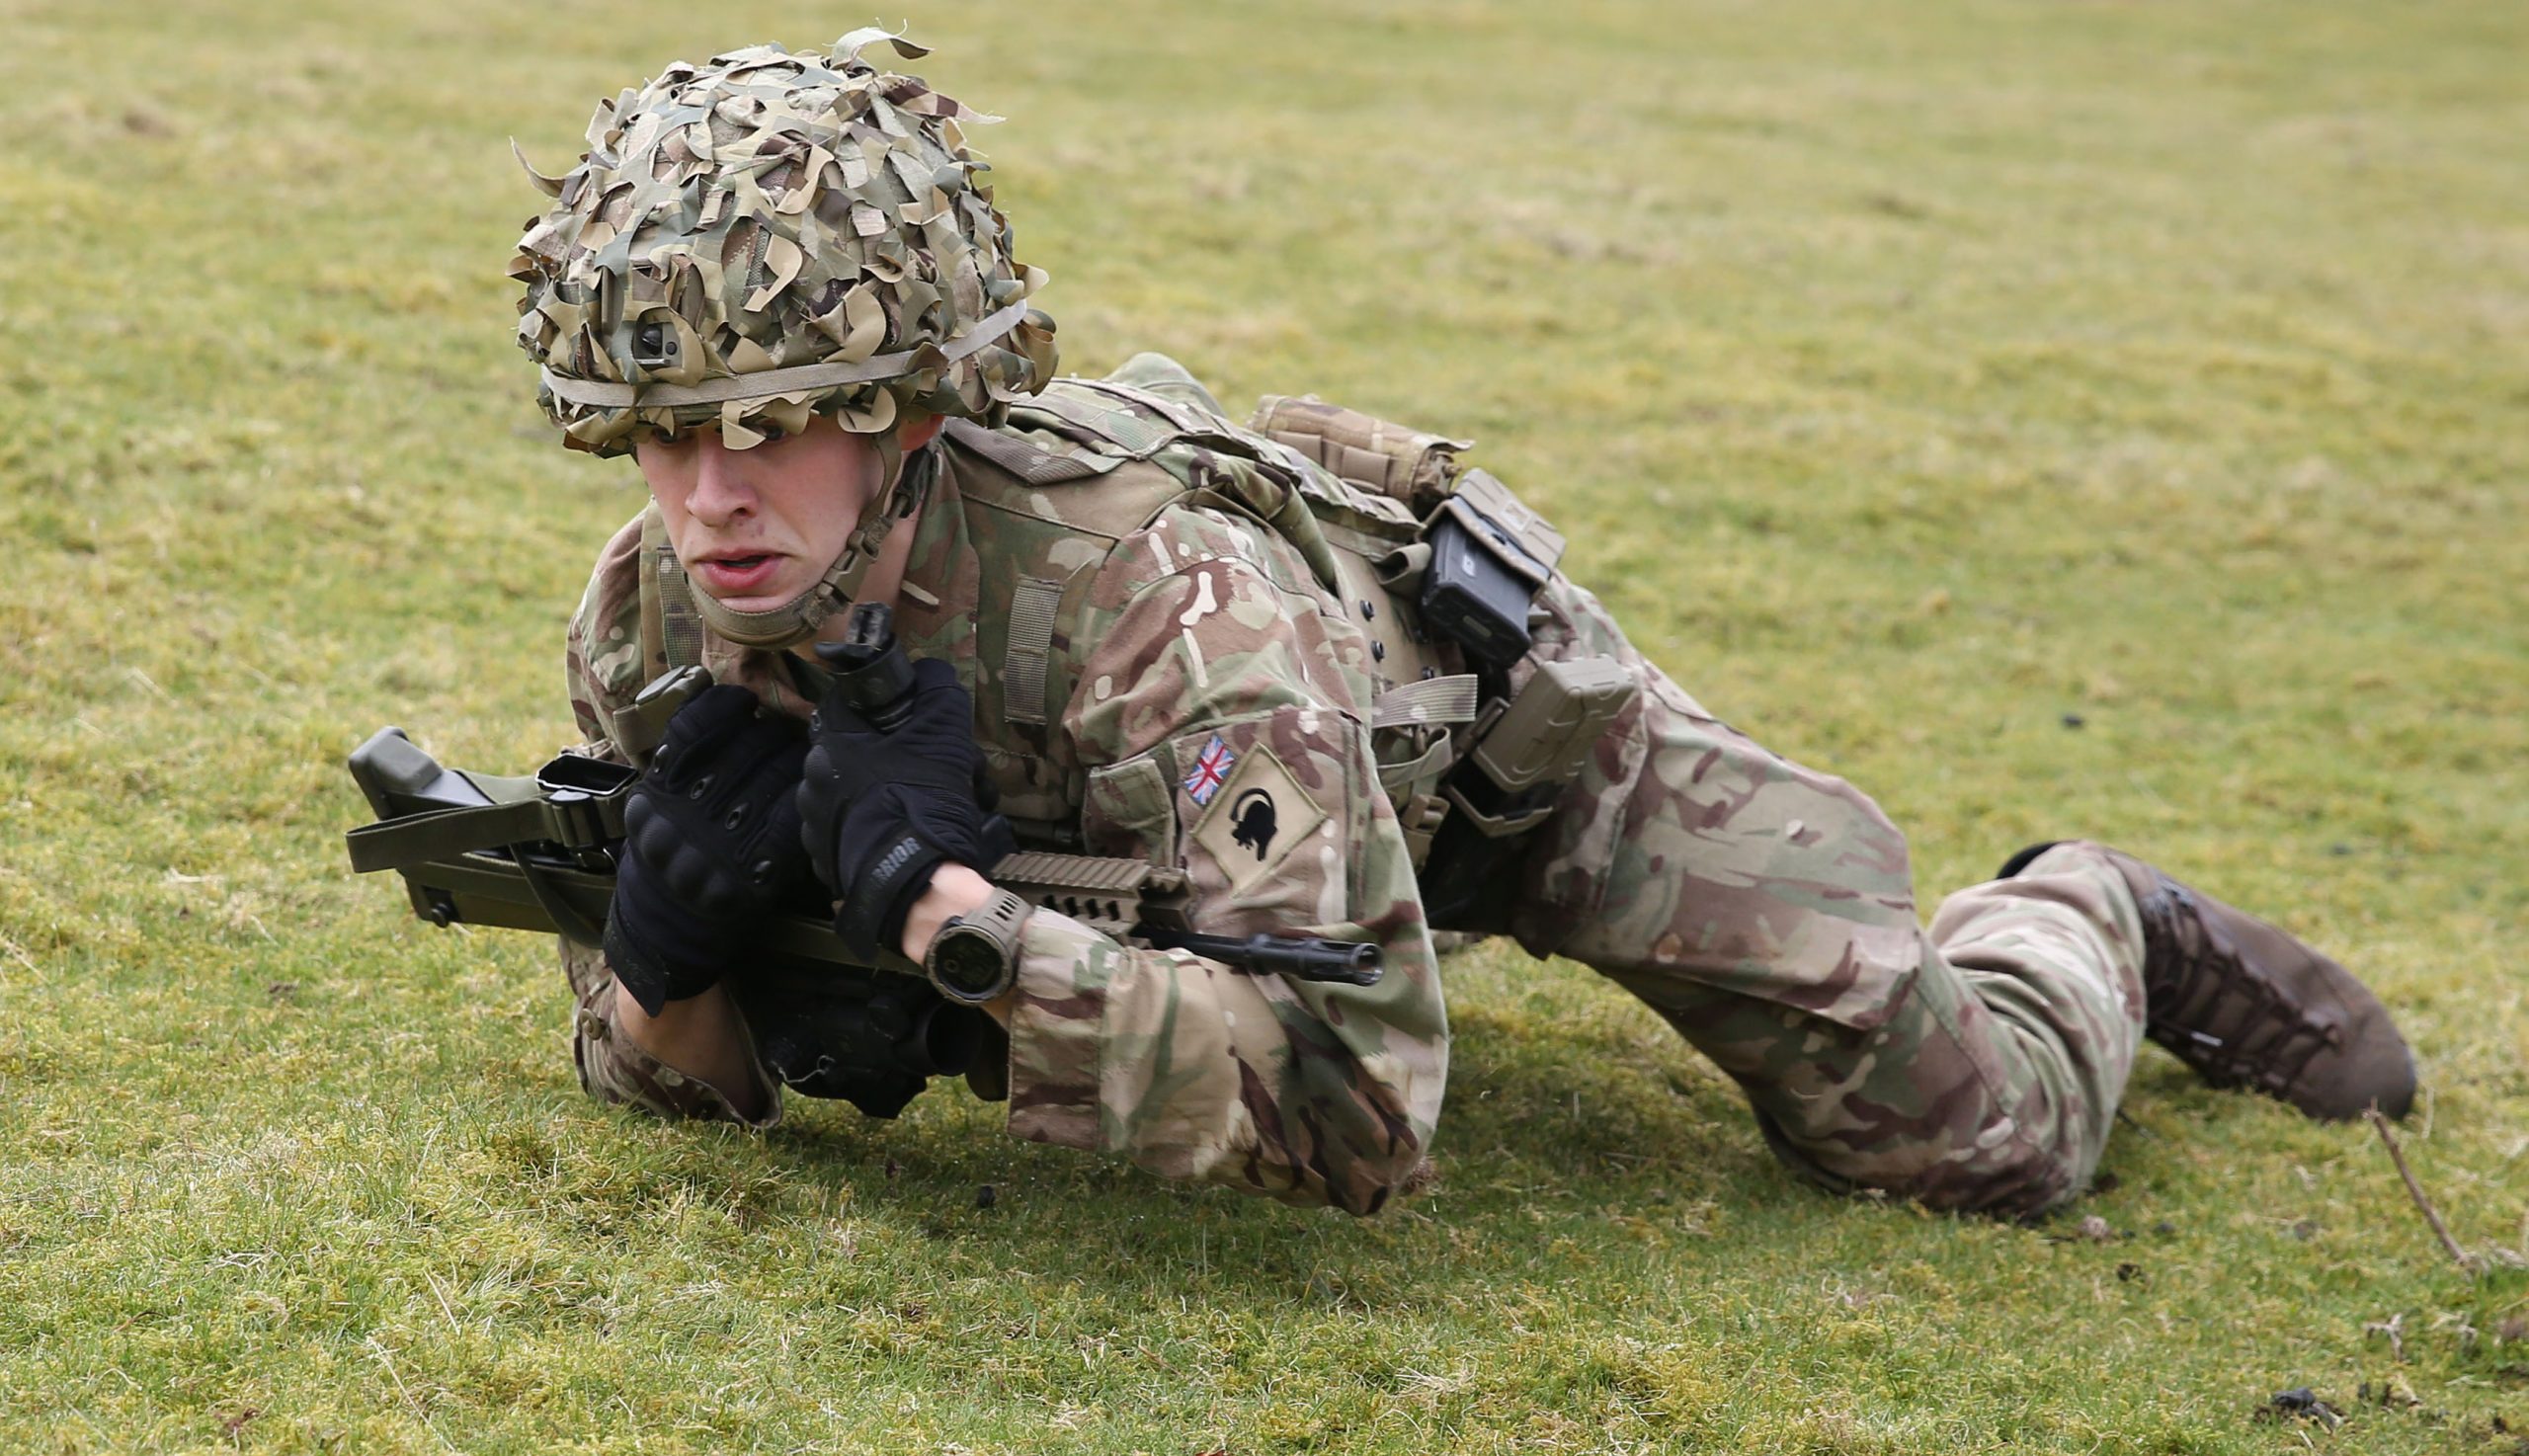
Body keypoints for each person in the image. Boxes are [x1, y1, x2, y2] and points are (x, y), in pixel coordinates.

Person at [513, 33, 2415, 1218]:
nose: (710, 502)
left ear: (909, 412)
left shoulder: (1159, 608)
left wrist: (961, 934)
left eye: (772, 428)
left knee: (1964, 1141)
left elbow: (1364, 1111)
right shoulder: (648, 626)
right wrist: (662, 967)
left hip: (1506, 766)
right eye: (663, 438)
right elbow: (690, 1077)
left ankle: (2096, 917)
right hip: (1231, 871)